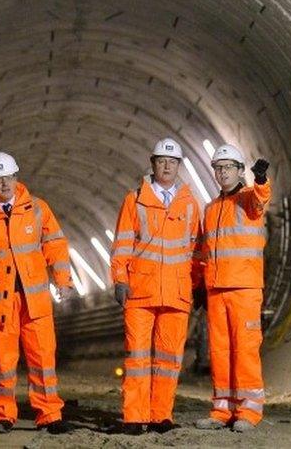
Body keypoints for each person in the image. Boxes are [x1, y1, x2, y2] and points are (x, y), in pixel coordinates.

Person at [0, 152, 74, 434]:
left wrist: (63, 280)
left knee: (43, 357)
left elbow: (55, 245)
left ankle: (49, 414)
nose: (5, 184)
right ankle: (2, 415)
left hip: (34, 300)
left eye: (9, 177)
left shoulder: (37, 209)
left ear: (17, 177)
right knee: (2, 360)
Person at [109, 137, 202, 435]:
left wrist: (196, 286)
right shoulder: (134, 199)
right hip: (140, 292)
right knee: (136, 358)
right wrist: (120, 280)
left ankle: (161, 415)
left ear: (179, 166)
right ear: (152, 163)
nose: (167, 166)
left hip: (176, 293)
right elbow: (122, 243)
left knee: (169, 359)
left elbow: (196, 250)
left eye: (172, 162)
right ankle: (134, 416)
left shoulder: (189, 203)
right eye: (162, 161)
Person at [193, 144, 271, 432]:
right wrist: (199, 284)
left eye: (228, 167)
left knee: (245, 350)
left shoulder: (249, 199)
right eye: (218, 168)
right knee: (220, 351)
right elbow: (204, 252)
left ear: (240, 171)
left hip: (244, 288)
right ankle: (222, 408)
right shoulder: (211, 209)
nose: (223, 172)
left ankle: (249, 411)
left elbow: (262, 197)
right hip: (216, 290)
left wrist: (261, 180)